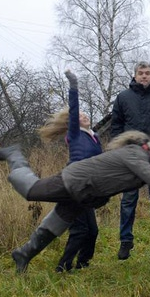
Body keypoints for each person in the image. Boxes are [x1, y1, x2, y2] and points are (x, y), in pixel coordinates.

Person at [0, 132, 150, 273]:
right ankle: (15, 156)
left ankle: (23, 254)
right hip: (74, 181)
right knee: (30, 190)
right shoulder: (135, 155)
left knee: (57, 223)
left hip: (86, 195)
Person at [38, 70, 103, 272]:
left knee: (92, 230)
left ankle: (83, 264)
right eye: (79, 115)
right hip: (75, 185)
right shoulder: (75, 134)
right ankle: (63, 267)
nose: (83, 115)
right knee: (80, 229)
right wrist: (73, 86)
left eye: (85, 114)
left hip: (88, 187)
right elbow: (74, 109)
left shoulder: (95, 137)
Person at [111, 61, 150, 261]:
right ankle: (125, 242)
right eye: (140, 73)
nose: (144, 76)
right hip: (131, 154)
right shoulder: (123, 97)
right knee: (128, 200)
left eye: (147, 73)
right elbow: (116, 125)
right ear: (134, 75)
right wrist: (117, 150)